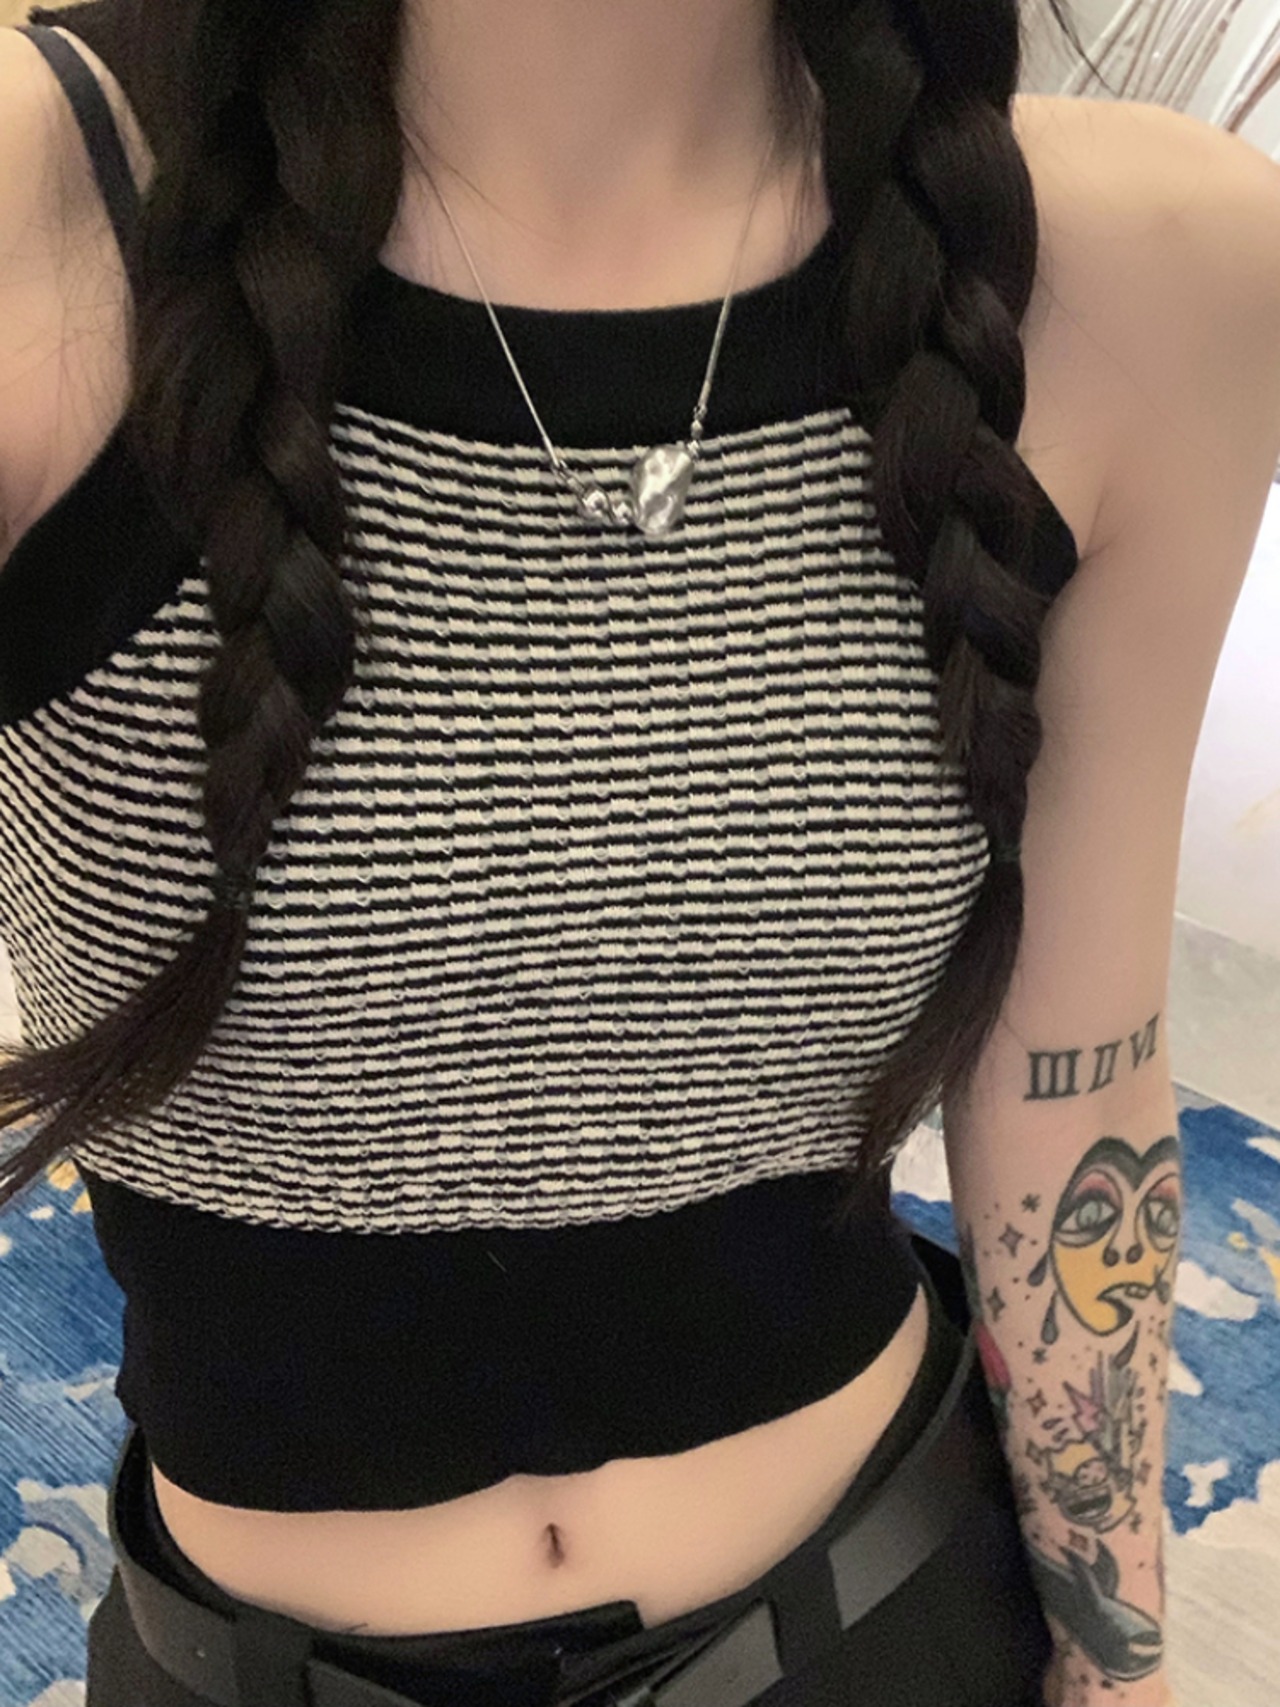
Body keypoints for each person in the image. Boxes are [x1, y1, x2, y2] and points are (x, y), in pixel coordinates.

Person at [1, 0, 1277, 1701]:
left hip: (886, 1620)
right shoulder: (47, 216)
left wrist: (1119, 1666)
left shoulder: (1150, 267)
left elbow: (1075, 1063)